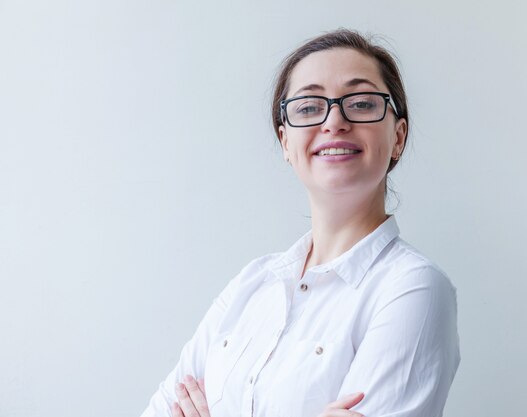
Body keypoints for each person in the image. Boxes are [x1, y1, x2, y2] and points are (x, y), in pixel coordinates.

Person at [140, 29, 460, 417]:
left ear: (398, 136)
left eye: (360, 103)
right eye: (308, 107)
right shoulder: (252, 284)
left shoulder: (412, 288)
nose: (335, 120)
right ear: (286, 142)